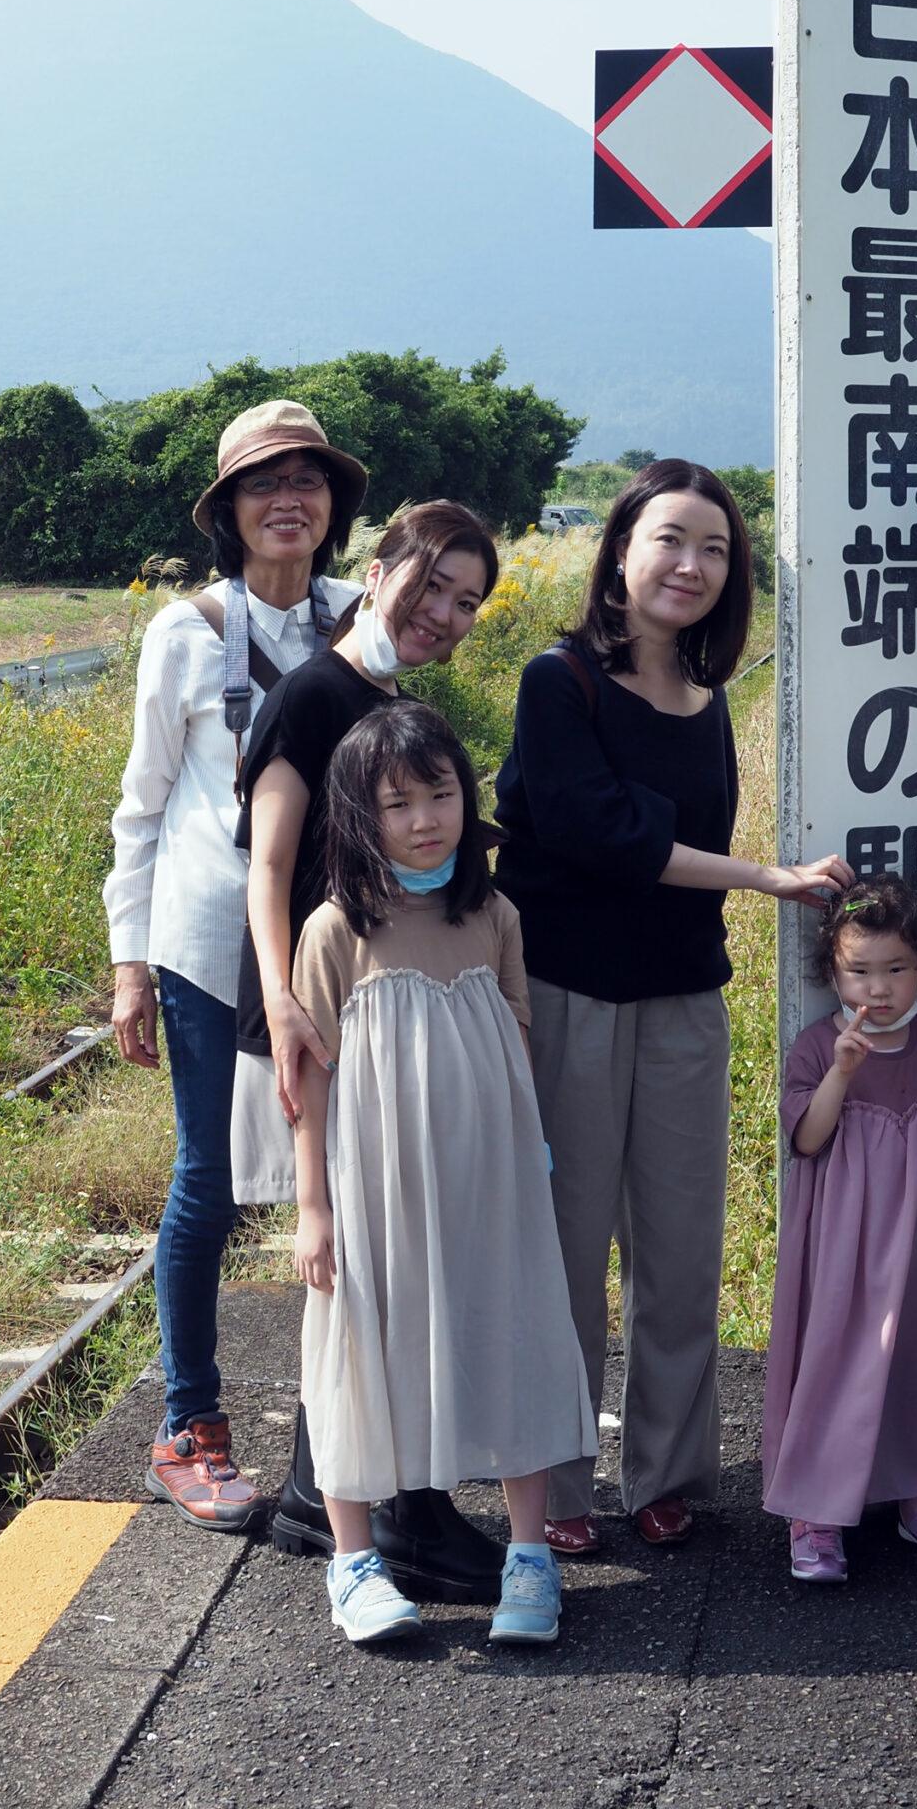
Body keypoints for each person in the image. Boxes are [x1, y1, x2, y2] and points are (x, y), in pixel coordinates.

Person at [494, 458, 853, 1555]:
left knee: (683, 1251)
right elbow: (599, 829)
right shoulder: (559, 681)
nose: (690, 564)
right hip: (566, 997)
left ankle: (666, 1469)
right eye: (669, 539)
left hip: (686, 1003)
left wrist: (680, 857)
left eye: (714, 549)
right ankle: (553, 1483)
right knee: (563, 1248)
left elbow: (637, 838)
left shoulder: (706, 704)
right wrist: (763, 877)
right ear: (619, 551)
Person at [104, 399, 366, 1532]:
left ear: (333, 509)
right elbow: (144, 806)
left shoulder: (359, 620)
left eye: (307, 480)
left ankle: (351, 1425)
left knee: (347, 1178)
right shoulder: (188, 631)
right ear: (229, 512)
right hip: (212, 945)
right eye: (265, 484)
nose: (289, 500)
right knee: (211, 1178)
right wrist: (128, 966)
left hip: (338, 944)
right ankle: (188, 1424)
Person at [242, 498, 509, 1604]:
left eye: (467, 601)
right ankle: (403, 1511)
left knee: (368, 1259)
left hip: (380, 1009)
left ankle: (326, 1490)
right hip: (327, 1008)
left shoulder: (383, 696)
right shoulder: (313, 693)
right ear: (380, 561)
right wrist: (283, 1001)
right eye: (431, 583)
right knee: (364, 1261)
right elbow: (267, 861)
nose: (443, 612)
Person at [292, 701, 596, 1647]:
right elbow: (306, 1083)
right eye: (397, 804)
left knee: (509, 1333)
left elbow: (515, 1041)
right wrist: (314, 1208)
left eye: (441, 793)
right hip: (377, 1186)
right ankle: (353, 1563)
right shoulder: (334, 930)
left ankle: (530, 1557)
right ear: (357, 817)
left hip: (490, 1183)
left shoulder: (493, 914)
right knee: (360, 1344)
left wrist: (529, 1155)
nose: (426, 818)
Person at [761, 879, 917, 1585]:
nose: (877, 988)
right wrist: (841, 1073)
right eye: (858, 971)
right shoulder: (816, 1047)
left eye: (894, 969)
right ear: (832, 974)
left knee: (908, 1360)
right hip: (835, 1250)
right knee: (832, 1362)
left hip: (907, 1248)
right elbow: (807, 1140)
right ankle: (813, 1513)